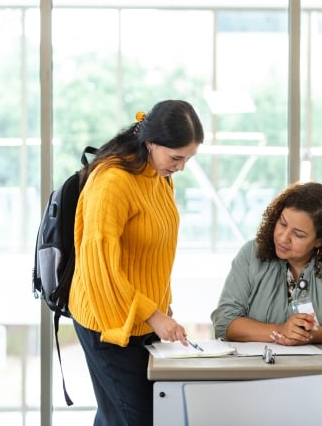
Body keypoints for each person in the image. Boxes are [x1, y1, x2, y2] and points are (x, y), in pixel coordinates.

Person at [68, 99, 204, 426]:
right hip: (107, 319)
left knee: (121, 416)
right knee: (135, 418)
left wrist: (162, 303)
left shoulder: (158, 175)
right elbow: (99, 266)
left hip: (141, 319)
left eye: (188, 159)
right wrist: (152, 312)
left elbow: (157, 249)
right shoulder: (112, 181)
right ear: (151, 142)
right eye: (176, 157)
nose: (181, 167)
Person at [211, 181, 322, 345]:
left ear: (320, 240)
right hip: (259, 370)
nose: (283, 238)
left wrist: (318, 335)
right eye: (282, 224)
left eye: (298, 235)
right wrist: (281, 331)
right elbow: (225, 322)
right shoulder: (251, 254)